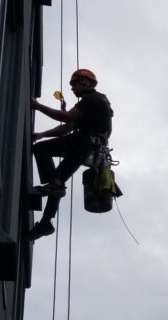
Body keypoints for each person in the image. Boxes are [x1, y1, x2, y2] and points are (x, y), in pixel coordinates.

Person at [25, 68, 113, 241]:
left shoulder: (92, 99)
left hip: (82, 142)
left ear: (86, 83)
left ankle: (54, 185)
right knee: (57, 180)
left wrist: (37, 106)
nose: (72, 88)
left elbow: (65, 118)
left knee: (41, 150)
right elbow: (67, 127)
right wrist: (43, 134)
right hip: (87, 148)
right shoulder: (94, 103)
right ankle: (46, 222)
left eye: (74, 84)